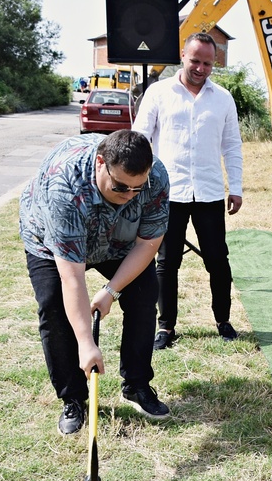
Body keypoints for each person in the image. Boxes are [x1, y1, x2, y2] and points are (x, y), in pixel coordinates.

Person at [19, 130, 172, 435]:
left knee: (143, 294)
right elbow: (72, 275)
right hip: (51, 242)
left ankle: (137, 384)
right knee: (53, 305)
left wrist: (111, 291)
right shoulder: (66, 184)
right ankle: (74, 398)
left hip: (118, 240)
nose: (129, 195)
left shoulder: (156, 177)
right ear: (101, 163)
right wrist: (87, 344)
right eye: (120, 187)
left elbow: (147, 244)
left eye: (136, 189)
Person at [132, 32, 243, 348]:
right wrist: (141, 185)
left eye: (208, 63)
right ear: (183, 55)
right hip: (168, 193)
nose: (201, 68)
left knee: (218, 260)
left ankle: (223, 320)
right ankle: (166, 327)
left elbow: (232, 146)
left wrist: (235, 187)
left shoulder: (223, 98)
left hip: (209, 193)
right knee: (166, 263)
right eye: (195, 60)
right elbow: (140, 139)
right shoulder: (159, 93)